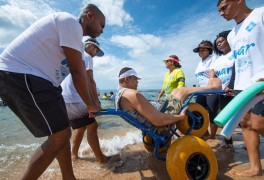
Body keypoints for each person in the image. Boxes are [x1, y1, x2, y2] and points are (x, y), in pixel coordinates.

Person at [0, 4, 105, 179]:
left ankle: (68, 177)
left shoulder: (77, 42)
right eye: (101, 24)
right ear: (90, 16)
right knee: (60, 136)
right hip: (21, 73)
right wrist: (90, 105)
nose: (102, 30)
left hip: (44, 82)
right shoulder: (70, 23)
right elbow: (78, 73)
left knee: (63, 132)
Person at [218, 0, 264, 177]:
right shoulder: (231, 35)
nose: (222, 13)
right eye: (220, 11)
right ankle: (255, 168)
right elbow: (238, 61)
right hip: (241, 86)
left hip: (261, 82)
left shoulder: (260, 14)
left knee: (259, 123)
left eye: (224, 7)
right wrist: (231, 85)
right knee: (245, 124)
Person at [61, 37, 113, 164]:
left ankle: (74, 155)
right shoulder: (87, 56)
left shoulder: (75, 55)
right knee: (92, 125)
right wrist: (95, 104)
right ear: (90, 46)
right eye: (96, 50)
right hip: (75, 97)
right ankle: (101, 158)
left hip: (65, 97)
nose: (95, 54)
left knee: (80, 127)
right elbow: (90, 81)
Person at [115, 67, 222, 129]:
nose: (137, 82)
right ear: (127, 79)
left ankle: (210, 86)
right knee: (183, 90)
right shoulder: (132, 94)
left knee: (175, 91)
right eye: (135, 79)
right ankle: (214, 88)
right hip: (160, 124)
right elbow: (158, 120)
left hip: (155, 119)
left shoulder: (119, 95)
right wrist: (180, 117)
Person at [210, 30, 235, 150]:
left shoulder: (235, 53)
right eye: (217, 43)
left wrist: (231, 84)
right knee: (226, 117)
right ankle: (228, 143)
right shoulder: (218, 60)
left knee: (246, 119)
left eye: (221, 41)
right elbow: (214, 76)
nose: (219, 44)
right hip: (222, 92)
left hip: (237, 89)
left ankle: (249, 142)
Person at [193, 40, 219, 140]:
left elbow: (214, 74)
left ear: (209, 50)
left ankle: (212, 136)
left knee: (212, 112)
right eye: (199, 50)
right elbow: (201, 77)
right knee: (199, 111)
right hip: (201, 90)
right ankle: (205, 132)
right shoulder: (200, 63)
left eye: (203, 49)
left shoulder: (213, 58)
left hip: (212, 89)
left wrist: (210, 87)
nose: (201, 51)